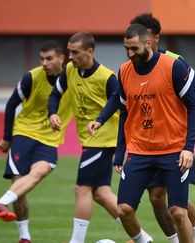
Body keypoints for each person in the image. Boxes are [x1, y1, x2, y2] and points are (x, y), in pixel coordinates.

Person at [88, 13, 195, 243]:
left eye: (134, 47)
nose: (130, 53)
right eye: (127, 48)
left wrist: (182, 129)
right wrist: (103, 122)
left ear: (150, 40)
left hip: (174, 148)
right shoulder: (125, 70)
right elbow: (121, 105)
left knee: (177, 209)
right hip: (141, 150)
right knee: (148, 201)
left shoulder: (174, 63)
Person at [48, 31, 138, 243]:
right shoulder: (70, 70)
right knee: (101, 193)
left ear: (89, 52)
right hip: (90, 140)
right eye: (69, 52)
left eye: (75, 52)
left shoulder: (107, 78)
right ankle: (142, 237)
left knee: (82, 189)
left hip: (103, 141)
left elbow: (124, 106)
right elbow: (55, 94)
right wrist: (53, 112)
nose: (70, 57)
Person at [0, 40, 72, 243]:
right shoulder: (31, 78)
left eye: (49, 59)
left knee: (40, 171)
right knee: (19, 184)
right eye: (41, 59)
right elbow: (11, 104)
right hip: (24, 133)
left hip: (49, 139)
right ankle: (24, 237)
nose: (44, 63)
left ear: (61, 58)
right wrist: (7, 137)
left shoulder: (74, 76)